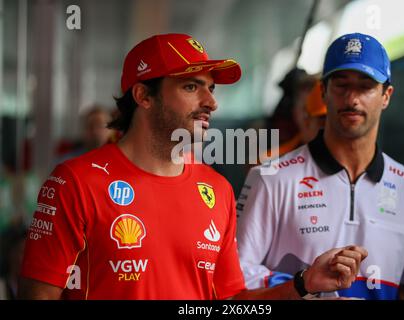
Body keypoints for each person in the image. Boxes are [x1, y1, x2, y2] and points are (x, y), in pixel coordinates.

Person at [18, 33, 367, 300]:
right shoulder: (76, 181)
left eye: (211, 88)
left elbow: (233, 301)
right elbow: (40, 295)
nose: (211, 102)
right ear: (144, 96)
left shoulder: (216, 190)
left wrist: (303, 284)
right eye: (191, 86)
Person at [236, 33, 404, 300]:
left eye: (366, 86)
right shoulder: (269, 178)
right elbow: (233, 294)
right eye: (341, 85)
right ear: (323, 91)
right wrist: (302, 286)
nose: (352, 98)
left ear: (386, 96)